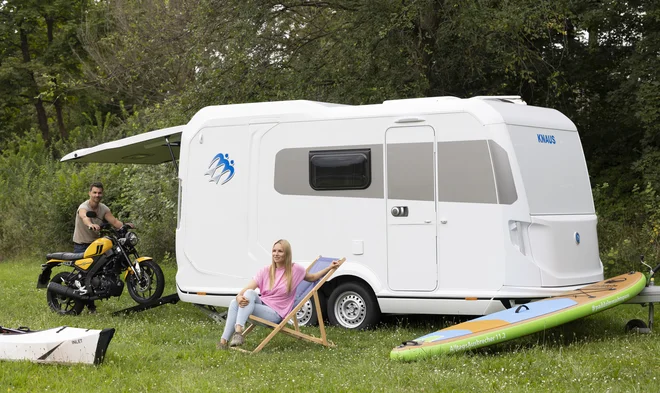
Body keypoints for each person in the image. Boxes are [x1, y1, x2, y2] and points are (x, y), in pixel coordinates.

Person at [217, 239, 340, 350]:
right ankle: (227, 339)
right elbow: (247, 289)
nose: (276, 254)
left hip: (276, 313)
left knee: (240, 302)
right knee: (241, 298)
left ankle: (235, 335)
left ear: (287, 253)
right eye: (274, 251)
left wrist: (329, 268)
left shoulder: (295, 270)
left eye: (280, 251)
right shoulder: (265, 270)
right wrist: (239, 297)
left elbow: (312, 277)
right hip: (262, 305)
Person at [72, 182, 132, 313]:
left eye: (99, 193)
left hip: (96, 245)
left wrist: (125, 226)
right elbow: (84, 216)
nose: (97, 195)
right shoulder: (84, 206)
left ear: (102, 194)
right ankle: (90, 306)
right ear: (89, 193)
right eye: (94, 192)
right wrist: (90, 224)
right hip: (82, 245)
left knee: (98, 272)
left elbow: (114, 222)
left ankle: (97, 294)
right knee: (85, 275)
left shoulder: (103, 208)